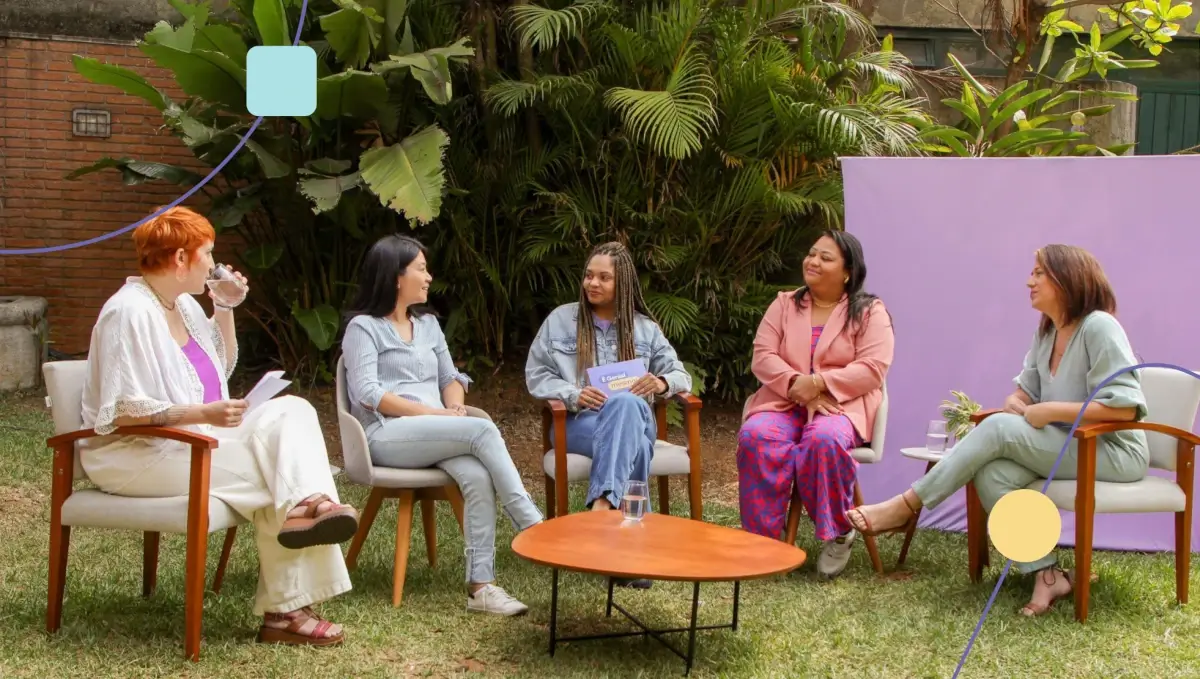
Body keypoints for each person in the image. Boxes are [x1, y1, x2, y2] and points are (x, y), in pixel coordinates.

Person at [79, 206, 358, 647]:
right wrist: (202, 416)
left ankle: (310, 505)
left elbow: (219, 369)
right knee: (278, 476)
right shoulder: (127, 313)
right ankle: (287, 606)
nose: (214, 263)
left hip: (191, 439)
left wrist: (224, 306)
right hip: (136, 455)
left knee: (296, 409)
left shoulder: (185, 306)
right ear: (180, 260)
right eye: (207, 254)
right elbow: (122, 416)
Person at [848, 244, 1148, 616]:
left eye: (1039, 273)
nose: (1029, 281)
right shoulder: (1047, 333)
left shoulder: (1099, 327)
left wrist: (1046, 410)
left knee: (998, 429)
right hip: (1068, 444)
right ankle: (1047, 576)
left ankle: (907, 505)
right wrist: (1017, 403)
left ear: (1067, 278)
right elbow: (1024, 393)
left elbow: (1126, 407)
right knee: (991, 474)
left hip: (1114, 451)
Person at [341, 234, 543, 617]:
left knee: (479, 476)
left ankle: (481, 587)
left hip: (434, 432)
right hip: (385, 434)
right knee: (483, 431)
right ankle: (531, 523)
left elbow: (451, 377)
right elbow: (369, 393)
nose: (429, 276)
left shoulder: (429, 325)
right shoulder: (363, 329)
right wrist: (438, 416)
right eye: (420, 268)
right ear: (395, 277)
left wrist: (453, 407)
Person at [525, 241, 692, 587]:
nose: (592, 283)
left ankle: (601, 512)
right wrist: (572, 394)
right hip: (577, 423)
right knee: (639, 447)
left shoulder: (644, 329)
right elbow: (536, 374)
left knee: (627, 405)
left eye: (604, 278)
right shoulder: (560, 321)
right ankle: (627, 556)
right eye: (588, 276)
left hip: (634, 420)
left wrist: (660, 383)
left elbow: (681, 375)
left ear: (623, 285)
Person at [736, 230, 893, 579]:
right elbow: (762, 357)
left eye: (826, 257)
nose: (813, 261)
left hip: (838, 406)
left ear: (848, 271)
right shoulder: (784, 303)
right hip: (783, 402)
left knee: (823, 440)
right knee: (757, 436)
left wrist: (820, 383)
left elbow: (873, 368)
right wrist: (796, 385)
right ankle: (763, 541)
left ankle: (840, 531)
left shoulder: (869, 312)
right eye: (812, 254)